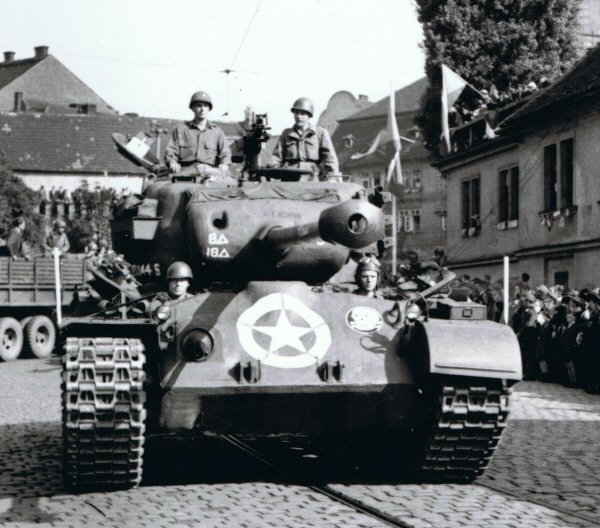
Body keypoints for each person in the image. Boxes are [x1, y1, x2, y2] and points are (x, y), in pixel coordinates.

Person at [268, 97, 340, 181]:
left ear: (309, 115)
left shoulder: (320, 133)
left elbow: (330, 159)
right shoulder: (286, 134)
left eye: (302, 113)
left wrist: (332, 178)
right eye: (296, 113)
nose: (299, 116)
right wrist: (274, 168)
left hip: (312, 179)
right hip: (290, 179)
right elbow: (276, 157)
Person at [164, 91, 231, 175]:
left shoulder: (217, 132)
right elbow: (171, 151)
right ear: (192, 108)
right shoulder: (181, 130)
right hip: (185, 172)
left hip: (209, 172)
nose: (202, 109)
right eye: (199, 106)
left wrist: (224, 164)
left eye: (205, 106)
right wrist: (173, 162)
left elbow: (225, 153)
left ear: (209, 109)